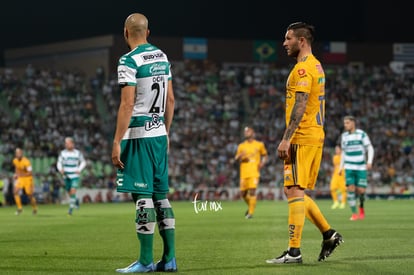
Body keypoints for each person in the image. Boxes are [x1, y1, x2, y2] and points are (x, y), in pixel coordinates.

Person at [266, 22, 343, 264]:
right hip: (311, 134)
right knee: (292, 190)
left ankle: (294, 251)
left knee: (295, 190)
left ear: (302, 41)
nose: (284, 43)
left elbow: (300, 105)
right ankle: (329, 234)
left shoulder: (303, 70)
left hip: (302, 135)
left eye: (288, 38)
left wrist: (286, 139)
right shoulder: (316, 65)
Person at [111, 13, 177, 273]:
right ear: (147, 33)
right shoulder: (162, 56)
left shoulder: (128, 60)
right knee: (161, 198)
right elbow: (170, 100)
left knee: (142, 197)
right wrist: (166, 131)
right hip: (159, 134)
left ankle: (146, 261)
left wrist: (117, 141)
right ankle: (169, 259)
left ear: (126, 33)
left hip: (138, 135)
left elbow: (127, 104)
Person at [339, 115, 374, 221]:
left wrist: (369, 161)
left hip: (361, 166)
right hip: (349, 166)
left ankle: (361, 207)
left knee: (361, 190)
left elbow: (370, 147)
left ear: (353, 123)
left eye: (347, 123)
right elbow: (343, 152)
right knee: (350, 188)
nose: (345, 125)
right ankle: (354, 213)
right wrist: (341, 167)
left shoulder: (361, 134)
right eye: (344, 123)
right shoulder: (344, 136)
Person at [234, 126, 268, 219]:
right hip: (244, 172)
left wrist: (262, 163)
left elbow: (265, 156)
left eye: (248, 131)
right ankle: (251, 205)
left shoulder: (259, 144)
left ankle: (250, 213)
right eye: (245, 131)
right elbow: (236, 158)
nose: (246, 133)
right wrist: (240, 156)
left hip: (254, 172)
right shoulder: (241, 146)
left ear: (253, 132)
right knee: (243, 194)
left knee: (252, 191)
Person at [57, 137, 86, 216]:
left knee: (73, 190)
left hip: (74, 175)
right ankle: (76, 200)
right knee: (69, 192)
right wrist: (60, 169)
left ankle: (70, 210)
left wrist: (79, 169)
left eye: (68, 143)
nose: (66, 145)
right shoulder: (62, 153)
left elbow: (83, 162)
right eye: (66, 143)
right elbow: (59, 163)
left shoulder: (78, 153)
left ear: (72, 144)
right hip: (66, 175)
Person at [12, 147, 38, 215]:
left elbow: (30, 172)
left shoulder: (26, 161)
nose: (18, 154)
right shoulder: (15, 160)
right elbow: (17, 168)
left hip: (28, 178)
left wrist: (21, 174)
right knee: (15, 191)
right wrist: (16, 174)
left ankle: (34, 208)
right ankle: (20, 208)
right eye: (17, 153)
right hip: (20, 178)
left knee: (29, 195)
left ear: (22, 153)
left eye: (19, 153)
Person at [330, 145, 347, 209]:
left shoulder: (344, 157)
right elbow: (335, 166)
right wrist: (333, 173)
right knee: (332, 188)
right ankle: (336, 202)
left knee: (343, 189)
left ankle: (343, 203)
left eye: (337, 149)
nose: (336, 151)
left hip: (342, 174)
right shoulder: (334, 157)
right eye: (335, 149)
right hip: (335, 174)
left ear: (341, 150)